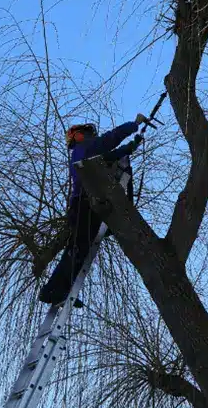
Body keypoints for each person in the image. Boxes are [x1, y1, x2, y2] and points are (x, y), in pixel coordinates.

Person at [38, 114, 148, 305]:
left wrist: (128, 149)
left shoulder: (84, 152)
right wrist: (134, 125)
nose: (91, 135)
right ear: (79, 136)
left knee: (80, 250)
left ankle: (60, 290)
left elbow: (106, 157)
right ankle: (53, 291)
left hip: (88, 205)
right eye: (86, 133)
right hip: (84, 205)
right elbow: (110, 140)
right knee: (77, 249)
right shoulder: (84, 148)